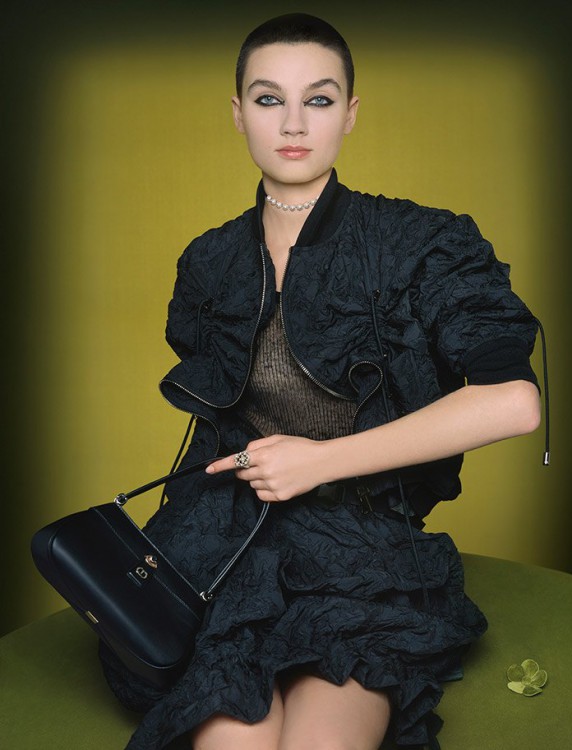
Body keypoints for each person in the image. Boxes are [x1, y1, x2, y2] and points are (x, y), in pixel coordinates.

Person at [100, 13, 543, 750]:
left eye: (320, 99)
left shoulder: (423, 242)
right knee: (232, 740)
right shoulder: (208, 260)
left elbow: (514, 403)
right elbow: (215, 430)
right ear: (238, 113)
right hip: (225, 549)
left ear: (350, 113)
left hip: (361, 552)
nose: (294, 123)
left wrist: (320, 461)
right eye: (269, 99)